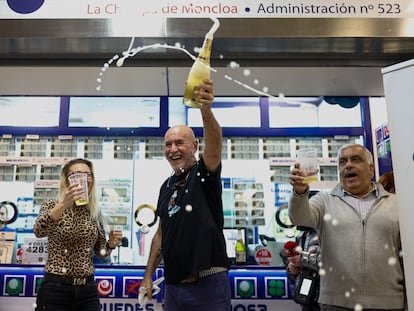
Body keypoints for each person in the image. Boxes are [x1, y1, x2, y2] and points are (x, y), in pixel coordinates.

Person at [139, 79, 231, 311]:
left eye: (180, 143)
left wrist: (205, 110)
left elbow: (215, 148)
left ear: (194, 146)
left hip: (207, 284)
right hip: (173, 287)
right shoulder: (166, 185)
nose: (173, 149)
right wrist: (148, 275)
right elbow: (161, 234)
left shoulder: (203, 174)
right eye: (168, 144)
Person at [288, 143, 405, 311]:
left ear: (371, 169)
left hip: (388, 302)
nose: (348, 165)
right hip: (337, 303)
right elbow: (299, 217)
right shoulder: (324, 201)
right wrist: (299, 192)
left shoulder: (396, 204)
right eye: (342, 162)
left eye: (356, 160)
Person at [33, 158, 123, 311]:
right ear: (66, 181)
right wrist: (63, 204)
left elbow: (100, 252)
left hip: (87, 289)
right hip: (56, 288)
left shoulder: (94, 211)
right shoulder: (52, 205)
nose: (83, 179)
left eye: (87, 175)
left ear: (92, 180)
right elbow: (39, 231)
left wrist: (110, 245)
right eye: (76, 175)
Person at [280, 191, 320, 311]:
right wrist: (292, 269)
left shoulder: (328, 232)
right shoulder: (301, 234)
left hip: (326, 298)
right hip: (306, 298)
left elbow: (333, 264)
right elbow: (293, 275)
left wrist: (302, 260)